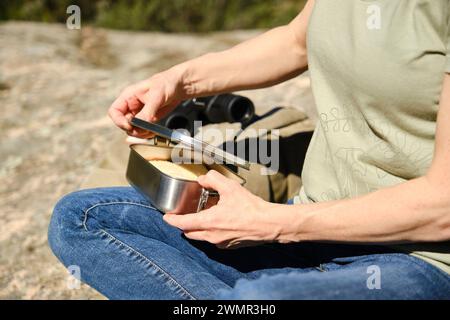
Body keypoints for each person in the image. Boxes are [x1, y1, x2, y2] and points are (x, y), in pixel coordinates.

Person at [48, 0, 450, 299]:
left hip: (416, 259)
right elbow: (296, 41)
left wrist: (271, 222)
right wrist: (179, 81)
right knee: (82, 219)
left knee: (263, 299)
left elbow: (442, 207)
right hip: (304, 232)